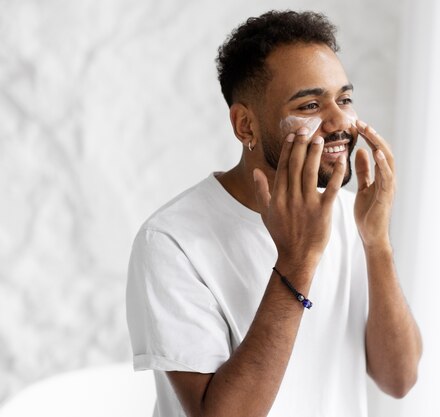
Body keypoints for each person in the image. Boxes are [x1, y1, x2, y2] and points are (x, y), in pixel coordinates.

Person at [126, 10, 422, 417]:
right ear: (245, 125)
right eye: (311, 104)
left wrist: (377, 242)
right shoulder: (171, 241)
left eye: (345, 99)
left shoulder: (347, 215)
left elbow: (399, 379)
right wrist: (297, 259)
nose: (340, 121)